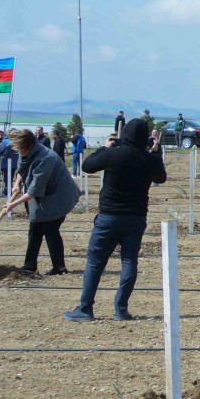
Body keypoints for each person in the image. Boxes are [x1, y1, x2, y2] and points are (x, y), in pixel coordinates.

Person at [65, 118, 167, 321]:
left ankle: (85, 308)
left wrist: (103, 148)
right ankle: (121, 309)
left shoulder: (112, 154)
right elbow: (161, 178)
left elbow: (87, 166)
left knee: (95, 262)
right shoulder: (149, 159)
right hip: (136, 217)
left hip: (109, 216)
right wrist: (155, 154)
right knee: (129, 262)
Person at [3, 129, 80, 275]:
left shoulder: (46, 158)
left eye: (20, 148)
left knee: (50, 229)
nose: (19, 150)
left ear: (29, 145)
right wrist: (17, 183)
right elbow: (21, 167)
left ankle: (59, 267)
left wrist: (13, 204)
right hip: (44, 196)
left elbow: (34, 190)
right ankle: (29, 265)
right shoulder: (25, 150)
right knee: (35, 229)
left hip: (59, 196)